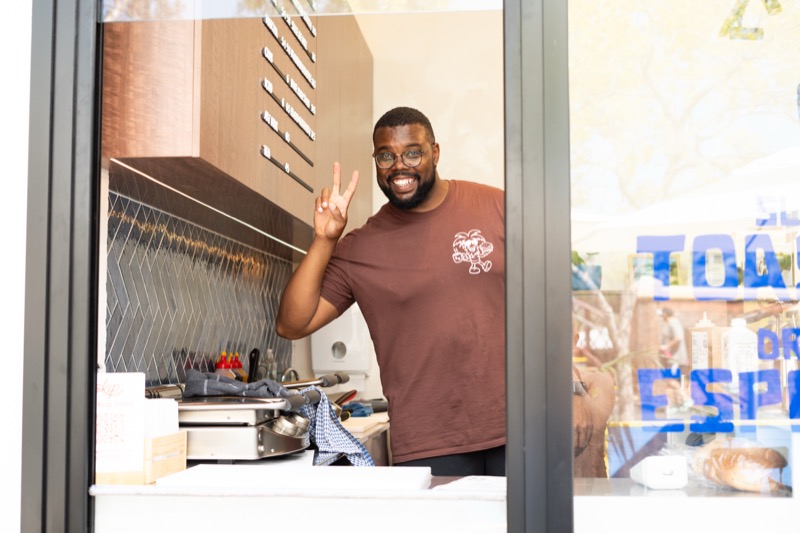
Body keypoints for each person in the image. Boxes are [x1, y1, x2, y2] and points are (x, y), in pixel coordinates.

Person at [276, 106, 506, 476]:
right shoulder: (362, 247)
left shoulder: (496, 207)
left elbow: (547, 297)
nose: (400, 167)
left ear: (435, 152)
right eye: (386, 156)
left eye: (412, 152)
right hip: (427, 440)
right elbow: (292, 323)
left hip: (515, 429)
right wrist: (324, 240)